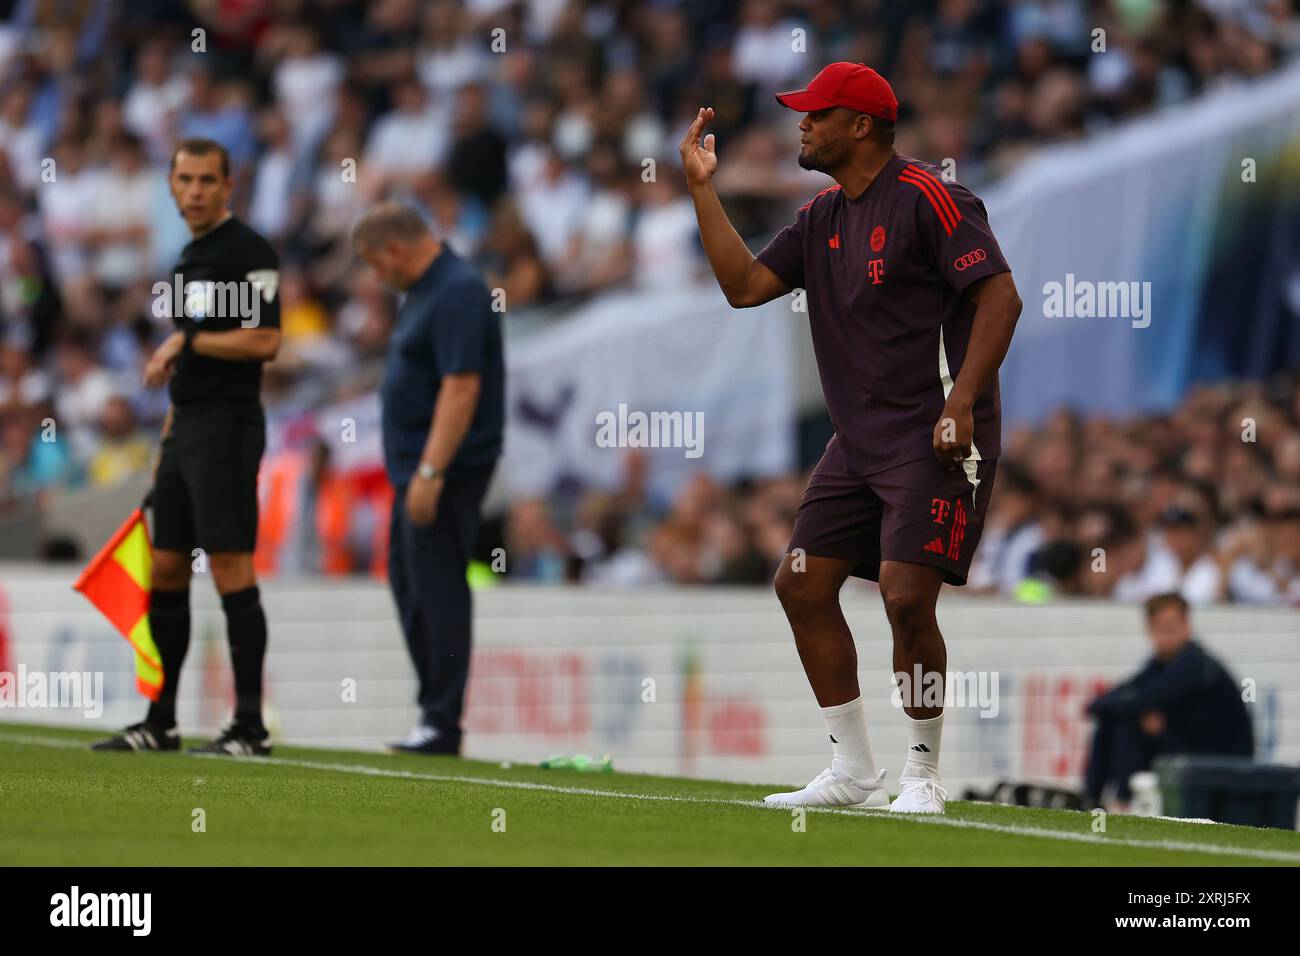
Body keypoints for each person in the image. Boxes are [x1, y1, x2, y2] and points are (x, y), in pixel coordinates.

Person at [681, 62, 1022, 813]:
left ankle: (923, 776)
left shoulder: (931, 197)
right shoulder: (821, 217)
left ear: (860, 125)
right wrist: (703, 188)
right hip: (859, 441)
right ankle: (853, 769)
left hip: (934, 434)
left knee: (905, 597)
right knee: (800, 584)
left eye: (815, 114)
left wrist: (962, 401)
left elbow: (1001, 296)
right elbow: (743, 288)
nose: (801, 124)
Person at [93, 138, 282, 756]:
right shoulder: (184, 263)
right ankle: (160, 721)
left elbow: (264, 341)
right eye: (185, 180)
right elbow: (193, 357)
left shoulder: (251, 251)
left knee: (230, 568)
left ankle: (249, 727)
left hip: (228, 427)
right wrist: (167, 438)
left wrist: (188, 343)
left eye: (207, 180)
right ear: (171, 188)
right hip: (186, 429)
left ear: (228, 186)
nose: (196, 191)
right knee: (168, 566)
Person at [353, 202, 504, 756]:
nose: (376, 276)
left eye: (374, 263)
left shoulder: (457, 289)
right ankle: (432, 713)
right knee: (410, 581)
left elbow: (461, 386)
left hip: (443, 469)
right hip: (417, 470)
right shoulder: (427, 291)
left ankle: (443, 722)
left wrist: (432, 471)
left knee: (437, 585)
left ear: (394, 248)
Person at [1083, 592, 1254, 810]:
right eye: (1160, 628)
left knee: (1131, 724)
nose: (1166, 635)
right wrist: (1109, 707)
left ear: (1186, 625)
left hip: (1220, 757)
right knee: (1115, 723)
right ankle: (1090, 801)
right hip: (1187, 746)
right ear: (1150, 629)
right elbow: (1108, 701)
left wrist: (1119, 707)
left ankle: (1121, 803)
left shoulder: (1193, 664)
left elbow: (1140, 701)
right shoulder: (1159, 664)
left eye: (1172, 627)